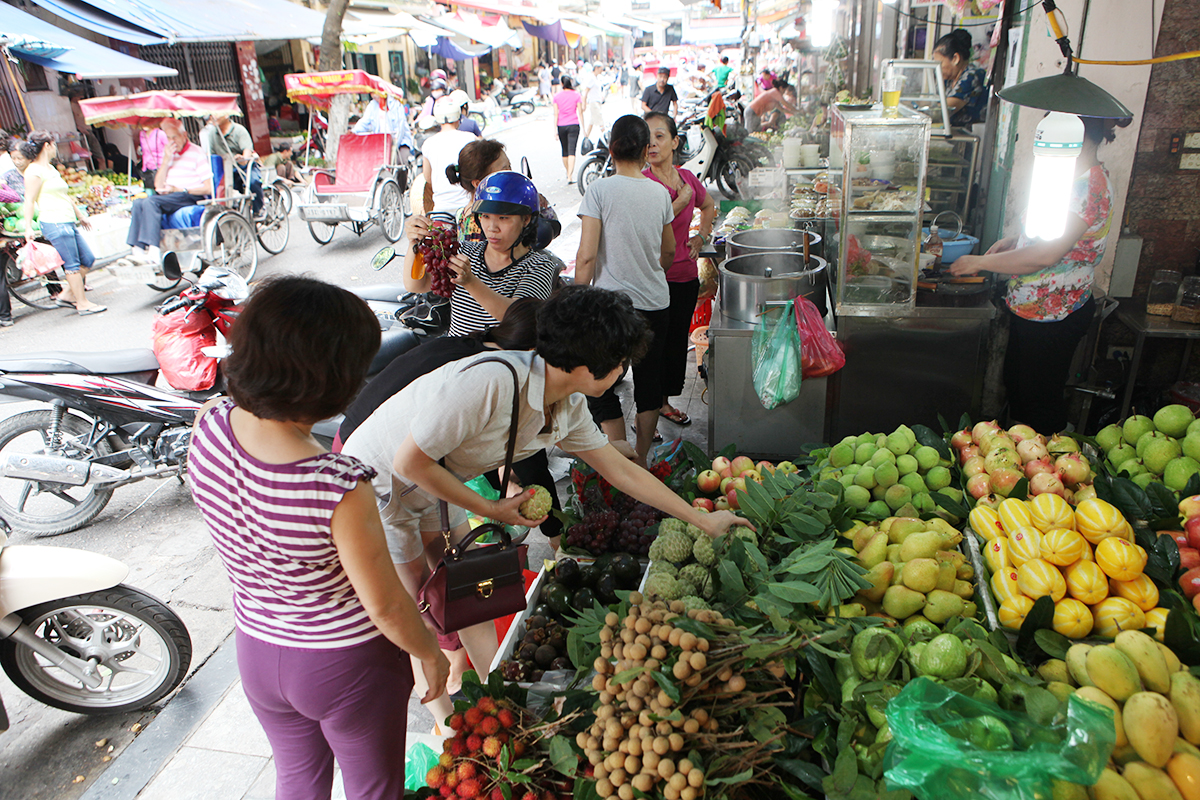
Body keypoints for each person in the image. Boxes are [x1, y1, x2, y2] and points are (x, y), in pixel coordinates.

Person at [339, 285, 752, 731]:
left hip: (434, 481)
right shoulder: (490, 383)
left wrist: (701, 519)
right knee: (419, 602)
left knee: (470, 585)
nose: (622, 371)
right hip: (378, 484)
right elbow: (407, 462)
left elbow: (621, 471)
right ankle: (446, 725)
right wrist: (491, 508)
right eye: (620, 363)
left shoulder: (565, 403)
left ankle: (497, 695)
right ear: (588, 367)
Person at [188, 276, 449, 800]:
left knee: (297, 781)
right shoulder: (335, 483)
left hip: (258, 647)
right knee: (374, 789)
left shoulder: (209, 425)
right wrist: (430, 653)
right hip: (345, 663)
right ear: (331, 380)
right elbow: (386, 607)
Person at [949, 117, 1116, 433]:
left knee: (1038, 402)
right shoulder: (1067, 177)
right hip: (1034, 309)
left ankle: (1049, 458)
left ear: (1077, 137)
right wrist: (1017, 240)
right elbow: (1052, 235)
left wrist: (980, 262)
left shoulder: (1087, 187)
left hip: (1056, 313)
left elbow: (1046, 255)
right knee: (1019, 390)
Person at [575, 115, 675, 466]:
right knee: (649, 384)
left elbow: (586, 256)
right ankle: (642, 458)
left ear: (611, 148)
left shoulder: (599, 190)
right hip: (655, 304)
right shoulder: (660, 193)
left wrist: (576, 300)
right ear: (646, 150)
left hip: (610, 309)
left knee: (599, 381)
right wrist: (649, 273)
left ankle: (619, 452)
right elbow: (668, 252)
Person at [404, 170, 558, 336]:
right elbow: (416, 285)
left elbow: (519, 318)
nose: (492, 228)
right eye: (485, 216)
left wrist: (470, 282)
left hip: (499, 353)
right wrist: (414, 243)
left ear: (526, 219)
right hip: (455, 350)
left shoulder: (540, 266)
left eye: (503, 218)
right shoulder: (464, 251)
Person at [644, 112, 715, 430]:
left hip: (685, 276)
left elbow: (708, 205)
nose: (652, 144)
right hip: (651, 279)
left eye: (659, 136)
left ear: (675, 142)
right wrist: (680, 201)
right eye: (647, 138)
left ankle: (662, 403)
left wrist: (701, 235)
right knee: (650, 347)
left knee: (675, 344)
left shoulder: (688, 178)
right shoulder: (643, 183)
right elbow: (647, 226)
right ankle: (646, 411)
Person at [21, 132, 104, 316]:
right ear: (47, 146)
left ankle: (66, 294)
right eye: (54, 144)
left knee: (87, 259)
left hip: (67, 220)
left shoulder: (51, 169)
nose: (55, 148)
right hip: (54, 222)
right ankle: (82, 303)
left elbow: (64, 195)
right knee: (72, 265)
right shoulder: (33, 171)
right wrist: (28, 227)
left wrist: (79, 215)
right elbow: (29, 200)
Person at [126, 119, 213, 267]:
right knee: (138, 203)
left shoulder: (196, 152)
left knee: (151, 202)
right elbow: (158, 185)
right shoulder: (169, 153)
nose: (172, 141)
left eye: (175, 137)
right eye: (168, 138)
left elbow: (209, 188)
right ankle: (138, 250)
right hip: (171, 196)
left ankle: (154, 252)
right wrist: (166, 160)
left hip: (190, 194)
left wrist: (181, 189)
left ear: (184, 135)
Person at [419, 96, 478, 217]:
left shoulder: (428, 144)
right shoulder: (470, 138)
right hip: (468, 210)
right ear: (458, 116)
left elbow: (428, 178)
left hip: (440, 211)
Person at [204, 113, 263, 215]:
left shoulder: (239, 130)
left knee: (253, 182)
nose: (213, 117)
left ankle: (259, 209)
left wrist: (243, 158)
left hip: (243, 167)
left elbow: (247, 152)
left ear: (226, 115)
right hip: (226, 170)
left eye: (217, 114)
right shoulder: (212, 134)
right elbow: (211, 156)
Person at [933, 29, 988, 127]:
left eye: (940, 63)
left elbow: (941, 111)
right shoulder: (948, 80)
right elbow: (934, 101)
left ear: (955, 59)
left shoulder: (972, 76)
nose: (937, 69)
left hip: (974, 133)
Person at [352, 92, 415, 162]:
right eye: (372, 93)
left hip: (400, 142)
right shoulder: (372, 105)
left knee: (400, 161)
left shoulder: (396, 104)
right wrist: (353, 131)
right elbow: (364, 122)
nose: (373, 95)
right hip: (381, 142)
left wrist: (394, 145)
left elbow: (400, 129)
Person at [552, 76, 584, 183]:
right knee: (572, 151)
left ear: (562, 84)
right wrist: (584, 128)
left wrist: (555, 130)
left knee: (565, 151)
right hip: (574, 124)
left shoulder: (556, 96)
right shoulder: (576, 95)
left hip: (561, 125)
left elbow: (555, 114)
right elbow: (580, 112)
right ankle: (570, 176)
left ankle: (568, 172)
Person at [138, 122, 168, 191]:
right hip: (147, 169)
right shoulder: (142, 134)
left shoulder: (160, 133)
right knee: (150, 192)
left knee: (161, 191)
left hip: (160, 167)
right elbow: (144, 152)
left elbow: (168, 149)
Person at [579, 65, 605, 145]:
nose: (601, 71)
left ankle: (586, 138)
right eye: (600, 69)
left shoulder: (596, 78)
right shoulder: (591, 78)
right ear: (596, 68)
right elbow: (586, 91)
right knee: (600, 120)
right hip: (593, 102)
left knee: (592, 121)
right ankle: (606, 137)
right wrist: (584, 103)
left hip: (597, 101)